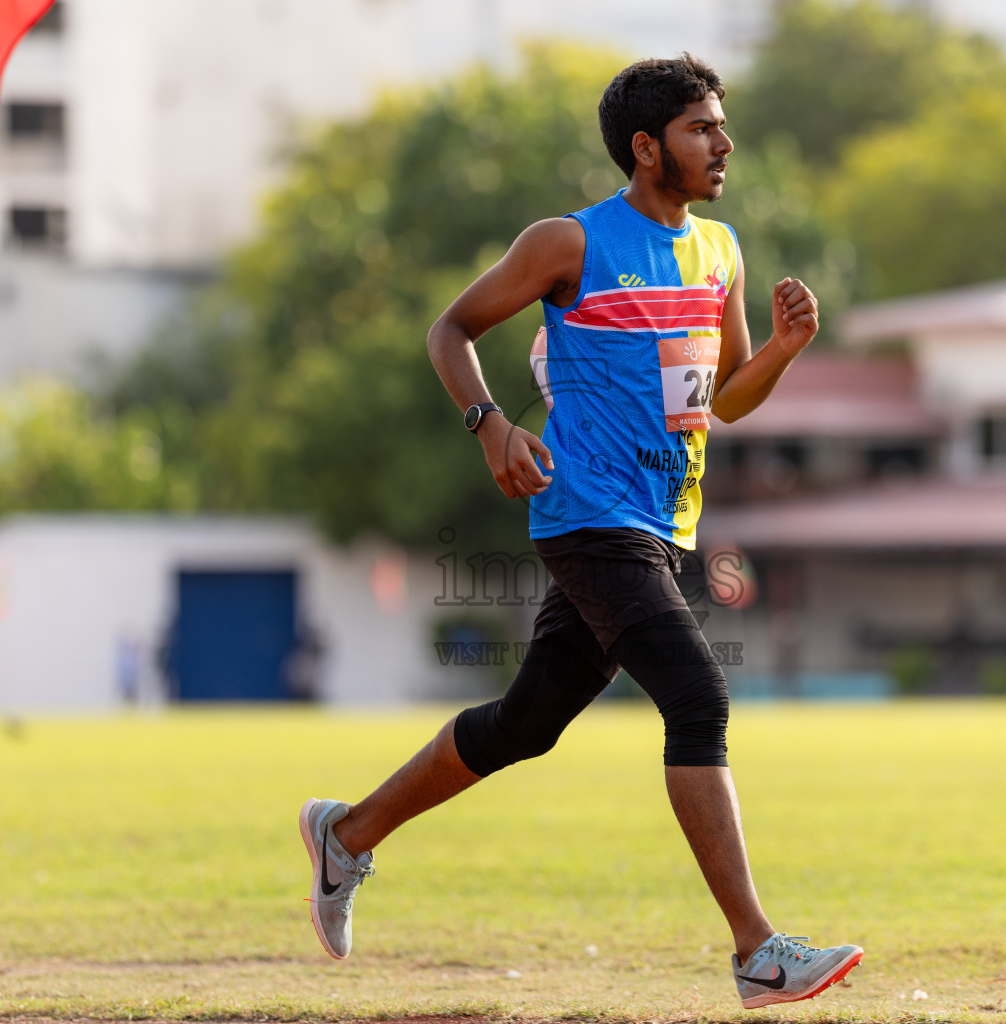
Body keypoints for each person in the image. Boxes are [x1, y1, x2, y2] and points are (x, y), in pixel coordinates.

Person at [299, 53, 863, 1009]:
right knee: (697, 697)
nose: (723, 143)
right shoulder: (569, 243)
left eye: (721, 125)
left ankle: (346, 835)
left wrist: (782, 349)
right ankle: (757, 953)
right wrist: (491, 426)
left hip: (659, 523)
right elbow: (452, 330)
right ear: (647, 150)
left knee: (527, 724)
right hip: (587, 517)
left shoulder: (720, 251)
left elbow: (723, 400)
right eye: (701, 129)